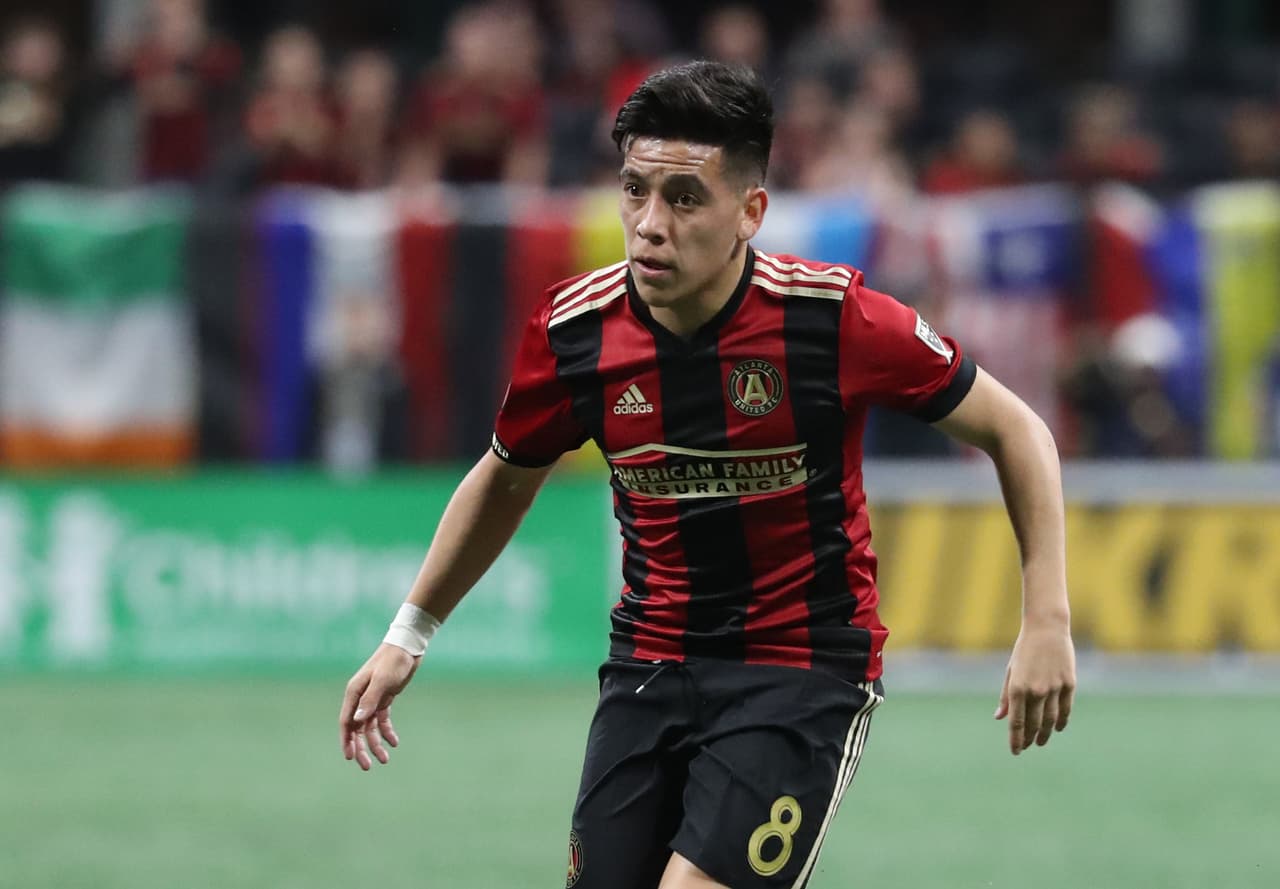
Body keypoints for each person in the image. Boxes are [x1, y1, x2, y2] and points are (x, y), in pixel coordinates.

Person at [339, 61, 1076, 889]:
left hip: (799, 667)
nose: (650, 224)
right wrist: (410, 631)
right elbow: (507, 475)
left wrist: (1045, 616)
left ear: (749, 213)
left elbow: (1018, 431)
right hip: (649, 661)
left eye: (684, 198)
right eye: (635, 190)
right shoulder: (574, 332)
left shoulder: (833, 321)